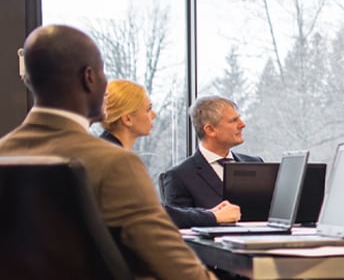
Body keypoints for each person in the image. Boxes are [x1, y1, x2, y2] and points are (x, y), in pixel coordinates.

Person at [0, 25, 215, 279]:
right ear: (88, 78)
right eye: (103, 73)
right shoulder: (115, 164)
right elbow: (182, 272)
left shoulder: (5, 153)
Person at [100, 79, 240, 228]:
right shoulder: (117, 160)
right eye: (148, 109)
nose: (153, 115)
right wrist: (213, 216)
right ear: (127, 119)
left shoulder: (106, 152)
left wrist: (211, 214)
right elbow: (153, 213)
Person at [164, 96, 262, 210]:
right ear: (210, 130)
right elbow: (179, 222)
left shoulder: (256, 164)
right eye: (234, 120)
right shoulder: (180, 176)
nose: (242, 124)